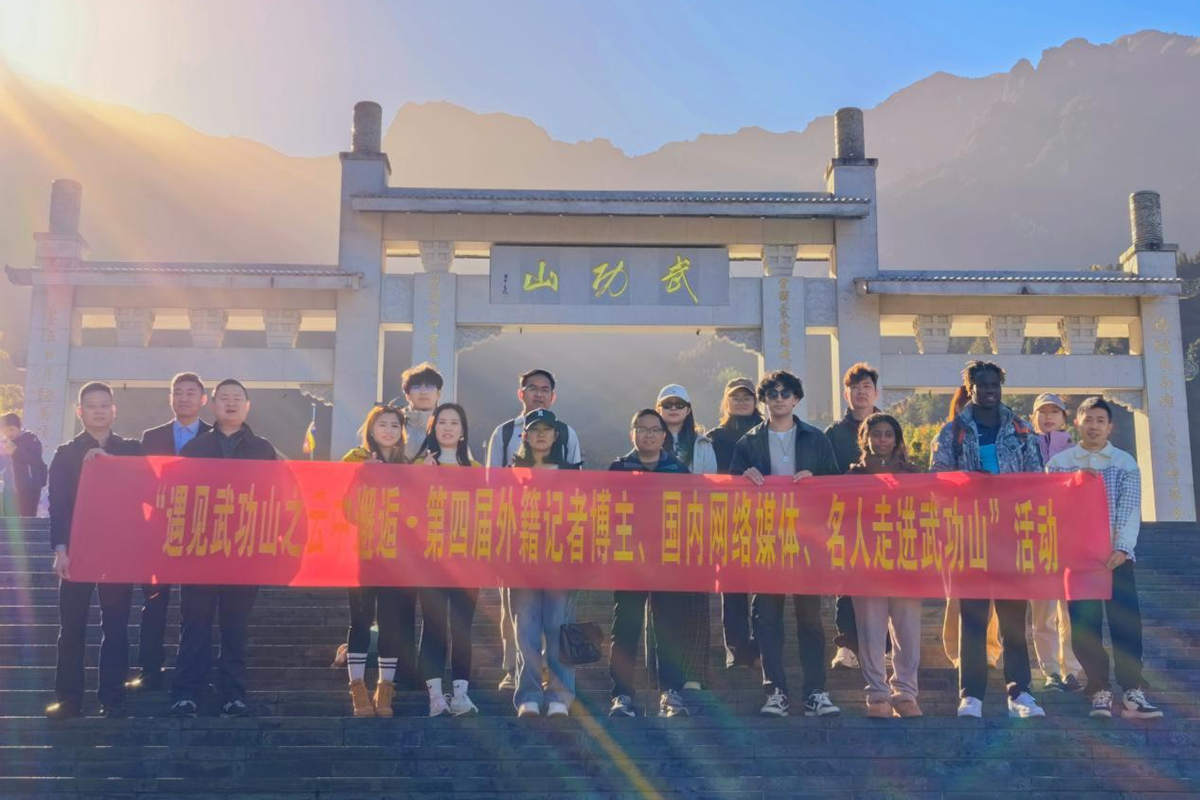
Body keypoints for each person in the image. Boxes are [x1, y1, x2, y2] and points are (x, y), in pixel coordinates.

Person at [931, 360, 1045, 719]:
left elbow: (1037, 481)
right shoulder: (952, 432)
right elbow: (937, 480)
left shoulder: (1021, 430)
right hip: (970, 537)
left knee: (1014, 620)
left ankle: (1020, 693)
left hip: (1011, 535)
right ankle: (971, 694)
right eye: (983, 385)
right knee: (973, 619)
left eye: (995, 384)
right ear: (971, 389)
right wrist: (967, 482)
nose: (991, 390)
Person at [729, 371, 841, 718]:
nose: (778, 399)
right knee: (768, 620)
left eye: (785, 393)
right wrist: (743, 479)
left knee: (810, 621)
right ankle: (775, 691)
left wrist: (815, 480)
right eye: (772, 393)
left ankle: (815, 692)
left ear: (796, 399)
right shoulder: (748, 442)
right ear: (764, 400)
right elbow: (730, 493)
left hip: (807, 540)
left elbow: (836, 486)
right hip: (765, 540)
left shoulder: (816, 439)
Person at [1047, 397, 1162, 720]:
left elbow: (1129, 508)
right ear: (1077, 423)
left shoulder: (1124, 463)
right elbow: (1052, 508)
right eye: (1088, 419)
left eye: (1100, 420)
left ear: (1110, 426)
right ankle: (1098, 688)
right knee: (1083, 626)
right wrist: (1072, 483)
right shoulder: (1060, 464)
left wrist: (1122, 547)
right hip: (1078, 559)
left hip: (1116, 558)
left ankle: (1132, 690)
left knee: (1126, 624)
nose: (1094, 426)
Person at [169, 379, 278, 718]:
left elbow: (277, 497)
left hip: (244, 553)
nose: (231, 404)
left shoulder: (263, 450)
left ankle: (233, 694)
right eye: (224, 398)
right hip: (200, 551)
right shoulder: (195, 448)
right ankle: (187, 693)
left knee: (235, 627)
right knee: (195, 625)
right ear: (213, 405)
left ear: (247, 406)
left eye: (237, 398)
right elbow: (178, 497)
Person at [45, 382, 143, 720]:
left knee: (116, 627)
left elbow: (146, 489)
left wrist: (111, 464)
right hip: (78, 551)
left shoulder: (131, 449)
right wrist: (60, 549)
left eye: (104, 405)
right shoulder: (65, 453)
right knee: (71, 628)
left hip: (117, 551)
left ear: (114, 410)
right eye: (91, 405)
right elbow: (58, 505)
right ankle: (68, 700)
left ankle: (113, 699)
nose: (98, 411)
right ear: (80, 411)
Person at [485, 368, 584, 691]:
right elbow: (491, 482)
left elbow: (577, 481)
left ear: (553, 396)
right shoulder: (504, 433)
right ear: (521, 393)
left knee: (554, 613)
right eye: (532, 388)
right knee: (514, 609)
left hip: (556, 535)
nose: (538, 393)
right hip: (515, 534)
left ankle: (546, 671)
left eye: (544, 389)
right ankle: (513, 669)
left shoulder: (566, 432)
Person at [125, 372, 212, 693]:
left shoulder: (214, 437)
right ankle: (149, 669)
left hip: (201, 531)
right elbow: (138, 480)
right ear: (170, 398)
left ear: (203, 399)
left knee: (197, 608)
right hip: (159, 531)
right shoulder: (151, 437)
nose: (184, 398)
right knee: (153, 604)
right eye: (178, 392)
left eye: (191, 393)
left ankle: (194, 671)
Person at [607, 408, 693, 718]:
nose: (649, 435)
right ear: (632, 433)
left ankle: (671, 693)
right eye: (642, 429)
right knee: (625, 628)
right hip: (629, 561)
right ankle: (622, 695)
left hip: (667, 561)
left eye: (655, 430)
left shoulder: (678, 471)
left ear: (663, 435)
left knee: (669, 629)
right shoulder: (618, 469)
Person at [341, 404, 418, 717]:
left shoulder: (407, 467)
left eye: (394, 425)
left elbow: (417, 511)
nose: (388, 430)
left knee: (390, 622)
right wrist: (363, 476)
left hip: (395, 558)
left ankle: (385, 689)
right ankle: (357, 688)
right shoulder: (355, 460)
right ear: (371, 429)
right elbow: (345, 509)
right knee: (360, 620)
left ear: (401, 432)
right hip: (362, 554)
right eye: (382, 424)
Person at [847, 413, 924, 718]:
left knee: (907, 632)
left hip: (906, 562)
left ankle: (906, 692)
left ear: (897, 439)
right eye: (876, 434)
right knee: (871, 631)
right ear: (864, 439)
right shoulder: (852, 477)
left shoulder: (914, 475)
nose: (882, 440)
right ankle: (877, 693)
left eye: (888, 434)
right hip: (866, 564)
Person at [509, 409, 580, 717]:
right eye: (534, 429)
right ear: (525, 435)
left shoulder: (571, 472)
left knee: (556, 628)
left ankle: (559, 696)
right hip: (521, 563)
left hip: (560, 564)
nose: (541, 434)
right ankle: (529, 694)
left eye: (547, 429)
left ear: (555, 435)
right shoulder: (511, 473)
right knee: (526, 630)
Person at [414, 403, 481, 716]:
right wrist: (423, 479)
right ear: (433, 427)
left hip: (467, 561)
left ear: (463, 430)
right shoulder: (419, 466)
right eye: (442, 422)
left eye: (455, 422)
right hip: (430, 560)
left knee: (462, 627)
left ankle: (461, 695)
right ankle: (436, 697)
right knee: (434, 627)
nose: (448, 427)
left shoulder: (474, 468)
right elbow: (409, 511)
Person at [655, 384, 715, 691]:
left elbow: (712, 485)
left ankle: (693, 673)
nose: (674, 409)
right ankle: (665, 674)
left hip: (694, 530)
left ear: (689, 409)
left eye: (679, 404)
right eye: (668, 404)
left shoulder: (703, 444)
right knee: (663, 606)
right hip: (658, 532)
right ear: (659, 409)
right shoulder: (650, 441)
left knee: (696, 605)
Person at [940, 385, 1003, 672]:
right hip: (961, 523)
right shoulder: (948, 436)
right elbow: (938, 477)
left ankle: (989, 650)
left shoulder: (1007, 434)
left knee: (994, 590)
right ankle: (958, 651)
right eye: (965, 403)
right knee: (959, 592)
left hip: (999, 521)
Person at [824, 362, 881, 672]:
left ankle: (884, 647)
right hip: (846, 519)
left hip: (883, 518)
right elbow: (825, 475)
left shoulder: (888, 427)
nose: (861, 392)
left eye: (867, 386)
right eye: (855, 387)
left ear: (876, 392)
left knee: (883, 583)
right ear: (846, 394)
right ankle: (847, 646)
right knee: (846, 583)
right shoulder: (833, 433)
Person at [1029, 392, 1084, 693]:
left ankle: (1071, 670)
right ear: (1033, 418)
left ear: (1065, 418)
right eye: (1042, 412)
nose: (1048, 417)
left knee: (1071, 610)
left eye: (1054, 412)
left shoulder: (1079, 452)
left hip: (1070, 538)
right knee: (1043, 611)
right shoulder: (1024, 449)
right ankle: (1050, 669)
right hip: (1036, 536)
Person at [706, 377, 763, 671]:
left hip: (764, 519)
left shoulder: (767, 433)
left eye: (747, 397)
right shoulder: (713, 438)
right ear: (726, 402)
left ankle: (760, 647)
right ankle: (736, 650)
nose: (741, 402)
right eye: (735, 397)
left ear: (755, 401)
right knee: (732, 587)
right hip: (726, 519)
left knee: (764, 588)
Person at [389, 362, 444, 461]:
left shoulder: (449, 423)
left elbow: (462, 460)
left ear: (438, 394)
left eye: (429, 386)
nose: (423, 391)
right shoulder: (394, 421)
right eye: (416, 387)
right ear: (407, 395)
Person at [1, 412, 47, 517]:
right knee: (9, 521)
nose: (9, 433)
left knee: (27, 520)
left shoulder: (31, 439)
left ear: (19, 428)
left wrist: (15, 452)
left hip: (29, 487)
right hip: (9, 488)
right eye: (5, 430)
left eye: (12, 429)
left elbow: (36, 459)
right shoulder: (4, 443)